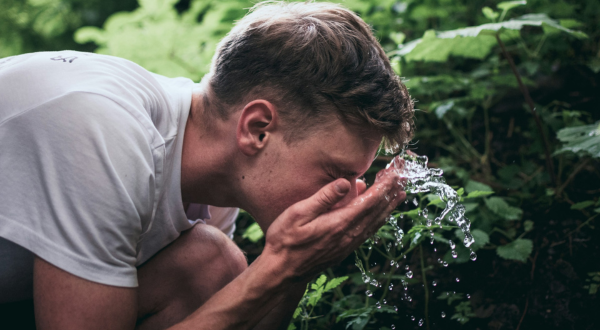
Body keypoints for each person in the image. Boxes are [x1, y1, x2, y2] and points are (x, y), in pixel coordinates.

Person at [0, 1, 414, 329]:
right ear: (257, 129)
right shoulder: (105, 132)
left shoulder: (216, 177)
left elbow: (236, 319)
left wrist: (298, 268)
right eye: (336, 175)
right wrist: (281, 264)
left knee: (212, 267)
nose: (347, 195)